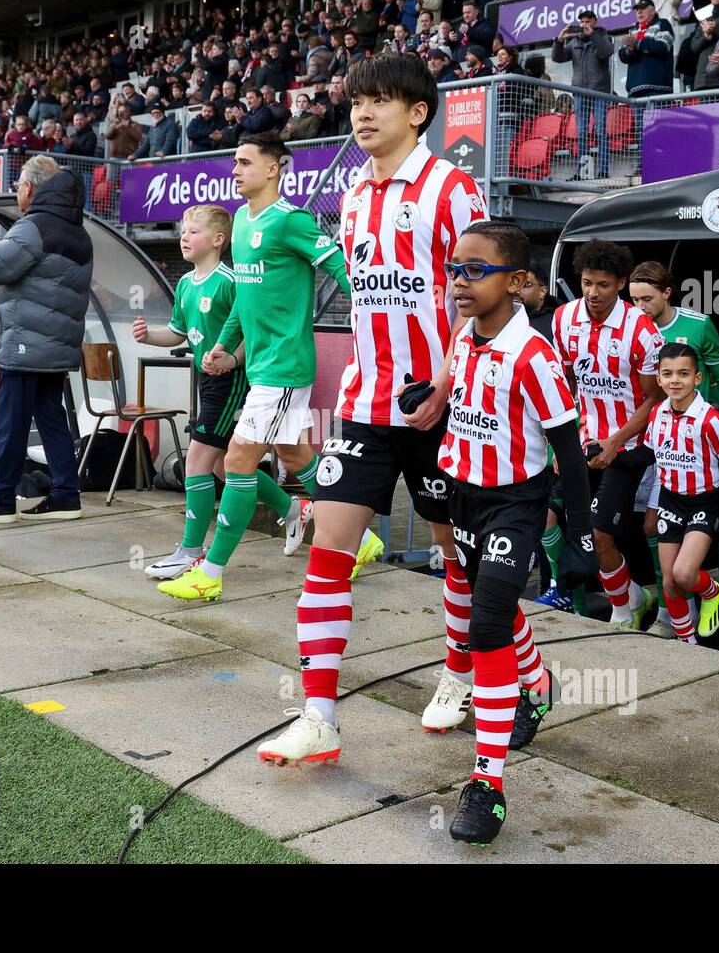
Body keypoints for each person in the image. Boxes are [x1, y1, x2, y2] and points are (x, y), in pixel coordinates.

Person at [254, 54, 487, 764]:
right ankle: (318, 717)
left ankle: (460, 673)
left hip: (441, 407)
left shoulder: (452, 189)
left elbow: (483, 301)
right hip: (364, 406)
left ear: (417, 113)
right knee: (329, 552)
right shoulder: (353, 192)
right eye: (356, 101)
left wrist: (447, 387)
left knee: (458, 554)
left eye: (379, 101)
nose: (361, 114)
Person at [435, 222, 594, 847]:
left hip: (516, 505)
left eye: (476, 270)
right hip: (463, 496)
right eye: (454, 268)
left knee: (487, 622)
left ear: (518, 281)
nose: (459, 281)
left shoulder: (535, 355)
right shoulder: (461, 338)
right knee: (491, 608)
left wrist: (580, 536)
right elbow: (464, 406)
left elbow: (570, 454)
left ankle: (488, 786)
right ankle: (539, 686)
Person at [157, 132, 351, 604]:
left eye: (245, 162)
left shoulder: (292, 221)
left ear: (273, 168)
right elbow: (244, 299)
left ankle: (211, 572)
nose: (236, 170)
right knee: (296, 456)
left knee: (238, 461)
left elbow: (342, 268)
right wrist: (224, 346)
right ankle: (360, 539)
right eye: (234, 162)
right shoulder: (242, 221)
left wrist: (371, 326)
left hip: (283, 367)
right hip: (259, 365)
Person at [133, 205, 311, 579]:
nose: (184, 236)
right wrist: (150, 337)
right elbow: (178, 333)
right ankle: (293, 510)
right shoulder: (184, 283)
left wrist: (232, 358)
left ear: (217, 240)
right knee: (223, 466)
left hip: (232, 382)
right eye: (182, 230)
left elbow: (250, 329)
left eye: (193, 231)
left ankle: (190, 551)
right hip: (208, 381)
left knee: (197, 462)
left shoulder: (231, 280)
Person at [0, 157, 90, 525]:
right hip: (56, 346)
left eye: (18, 187)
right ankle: (66, 494)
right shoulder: (79, 231)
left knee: (11, 423)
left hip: (26, 344)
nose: (16, 193)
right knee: (51, 419)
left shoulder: (32, 228)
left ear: (31, 188)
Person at [552, 240, 665, 630]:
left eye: (602, 284)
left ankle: (623, 610)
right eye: (586, 283)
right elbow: (563, 383)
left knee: (601, 534)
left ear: (620, 284)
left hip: (631, 446)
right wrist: (561, 440)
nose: (593, 293)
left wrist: (616, 441)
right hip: (585, 442)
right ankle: (632, 595)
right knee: (574, 528)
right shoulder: (563, 319)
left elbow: (655, 399)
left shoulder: (641, 329)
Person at [628, 261, 719, 634]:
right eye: (634, 299)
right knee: (660, 549)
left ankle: (718, 593)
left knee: (684, 564)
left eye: (647, 298)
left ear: (666, 294)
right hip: (658, 450)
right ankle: (676, 629)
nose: (639, 307)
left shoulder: (698, 324)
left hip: (700, 463)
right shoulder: (626, 327)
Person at [647, 344, 719, 644]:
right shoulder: (656, 413)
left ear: (698, 379)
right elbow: (644, 457)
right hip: (670, 500)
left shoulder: (711, 420)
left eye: (683, 374)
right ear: (659, 379)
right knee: (670, 581)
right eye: (668, 374)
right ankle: (687, 642)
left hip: (703, 502)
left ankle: (712, 591)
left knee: (685, 574)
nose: (675, 380)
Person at [552, 10, 614, 181]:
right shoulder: (574, 41)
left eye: (588, 21)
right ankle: (583, 172)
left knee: (601, 131)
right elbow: (557, 58)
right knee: (581, 134)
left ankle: (603, 170)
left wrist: (593, 35)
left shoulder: (603, 36)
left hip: (599, 91)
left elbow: (606, 51)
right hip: (580, 93)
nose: (584, 24)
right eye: (582, 22)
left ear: (595, 21)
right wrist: (559, 40)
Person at [620, 0, 676, 101]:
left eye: (643, 8)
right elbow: (622, 55)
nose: (639, 12)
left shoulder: (663, 24)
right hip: (635, 91)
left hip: (658, 90)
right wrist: (630, 50)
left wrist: (636, 43)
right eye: (637, 10)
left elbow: (662, 47)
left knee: (657, 118)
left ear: (653, 11)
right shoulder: (633, 30)